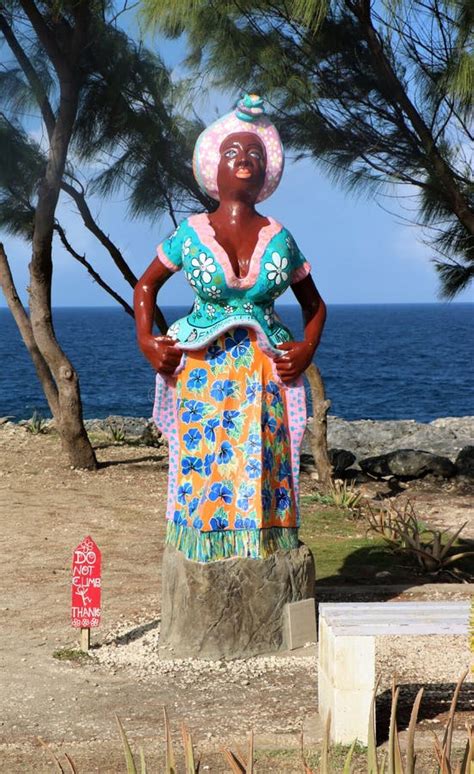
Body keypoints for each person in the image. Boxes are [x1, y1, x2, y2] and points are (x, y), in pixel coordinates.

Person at [134, 94, 326, 563]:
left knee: (265, 459)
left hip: (266, 371)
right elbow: (146, 287)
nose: (244, 161)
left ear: (266, 175)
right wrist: (146, 341)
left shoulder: (281, 238)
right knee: (206, 463)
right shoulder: (190, 233)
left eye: (255, 155)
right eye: (233, 153)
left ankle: (264, 545)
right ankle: (205, 546)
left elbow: (315, 305)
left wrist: (306, 349)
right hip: (201, 369)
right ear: (213, 169)